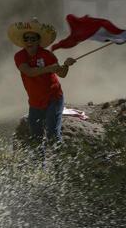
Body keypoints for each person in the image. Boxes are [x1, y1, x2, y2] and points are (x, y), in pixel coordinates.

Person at [8, 19, 76, 150]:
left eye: (33, 39)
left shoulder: (47, 55)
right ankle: (41, 169)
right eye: (26, 39)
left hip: (54, 98)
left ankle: (60, 167)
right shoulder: (20, 56)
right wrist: (48, 69)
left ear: (38, 41)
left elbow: (62, 74)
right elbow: (28, 72)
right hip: (35, 103)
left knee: (52, 135)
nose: (29, 42)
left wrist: (66, 65)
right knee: (36, 140)